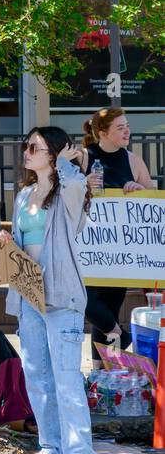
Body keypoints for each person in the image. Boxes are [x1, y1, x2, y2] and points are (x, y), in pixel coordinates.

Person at [0, 126, 96, 454]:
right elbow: (22, 247)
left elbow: (78, 183)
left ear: (53, 153)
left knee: (66, 377)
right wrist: (7, 242)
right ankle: (51, 446)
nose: (26, 151)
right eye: (26, 145)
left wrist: (69, 160)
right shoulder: (24, 196)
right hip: (28, 295)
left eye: (34, 146)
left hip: (62, 296)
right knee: (37, 375)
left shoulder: (69, 190)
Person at [78, 107, 156, 366]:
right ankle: (120, 337)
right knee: (87, 302)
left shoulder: (133, 160)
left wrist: (139, 189)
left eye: (127, 126)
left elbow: (152, 201)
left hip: (120, 250)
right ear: (102, 133)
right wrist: (83, 185)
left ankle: (101, 371)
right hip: (87, 246)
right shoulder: (84, 158)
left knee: (109, 309)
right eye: (120, 127)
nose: (127, 131)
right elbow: (62, 194)